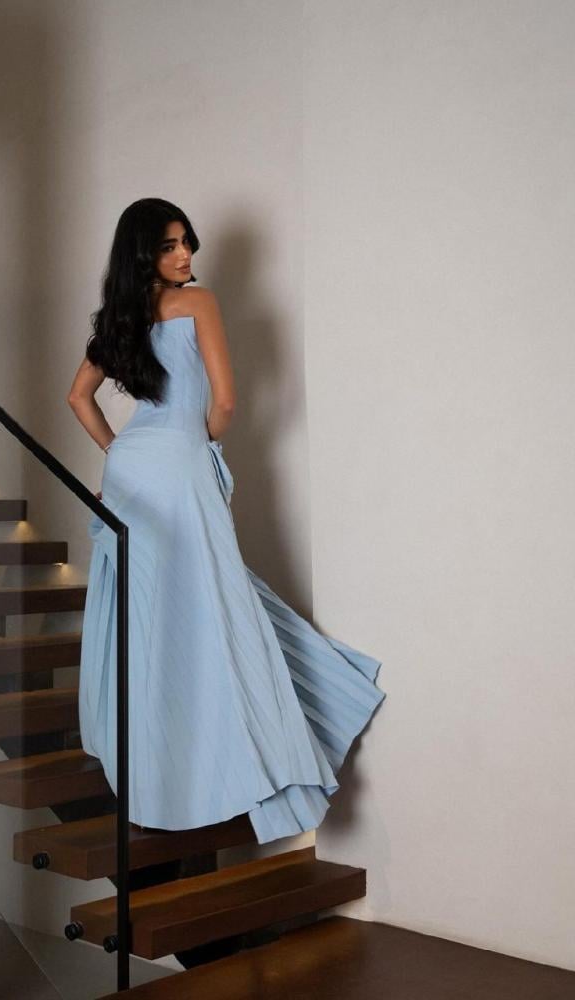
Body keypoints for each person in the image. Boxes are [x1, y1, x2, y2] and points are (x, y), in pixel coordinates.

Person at [67, 197, 385, 844]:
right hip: (180, 461)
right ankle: (233, 759)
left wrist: (121, 452)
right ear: (143, 253)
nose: (185, 254)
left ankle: (157, 769)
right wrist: (198, 444)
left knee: (149, 616)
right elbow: (228, 403)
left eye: (187, 242)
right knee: (210, 600)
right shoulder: (199, 303)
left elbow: (77, 397)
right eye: (169, 245)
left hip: (130, 472)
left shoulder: (119, 318)